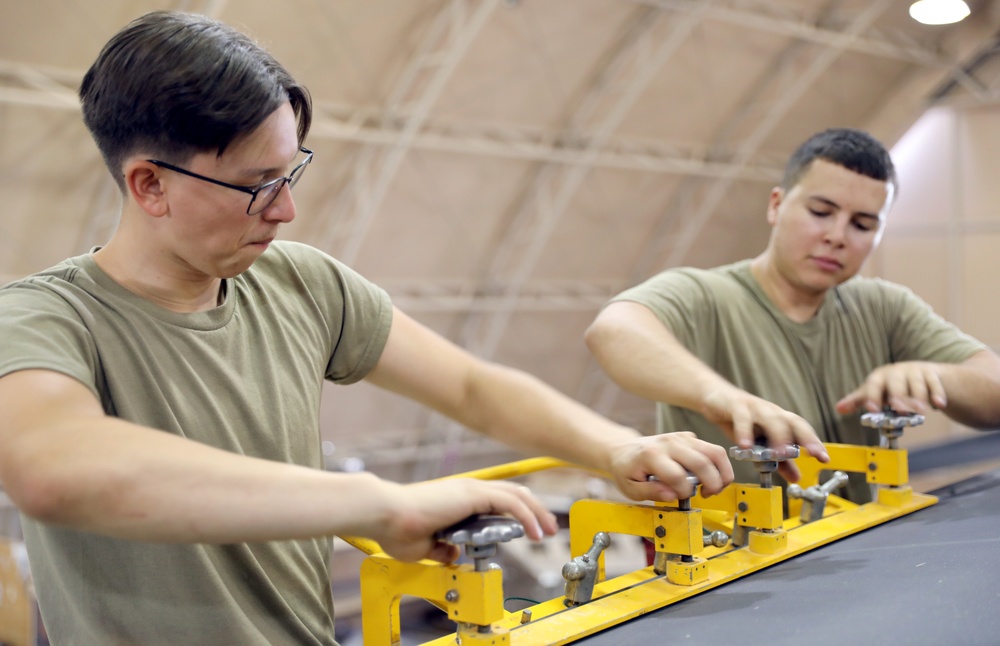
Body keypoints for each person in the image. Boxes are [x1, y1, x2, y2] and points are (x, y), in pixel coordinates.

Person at [0, 11, 736, 646]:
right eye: (257, 187)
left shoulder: (299, 283)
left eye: (291, 174)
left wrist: (615, 448)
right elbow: (58, 468)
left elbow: (472, 388)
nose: (286, 211)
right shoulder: (44, 320)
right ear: (149, 184)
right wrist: (384, 506)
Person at [586, 127, 1000, 503]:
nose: (836, 236)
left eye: (861, 224)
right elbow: (614, 330)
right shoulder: (705, 296)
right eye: (821, 212)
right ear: (776, 205)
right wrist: (721, 398)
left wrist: (938, 377)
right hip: (734, 566)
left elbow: (993, 389)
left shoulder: (883, 306)